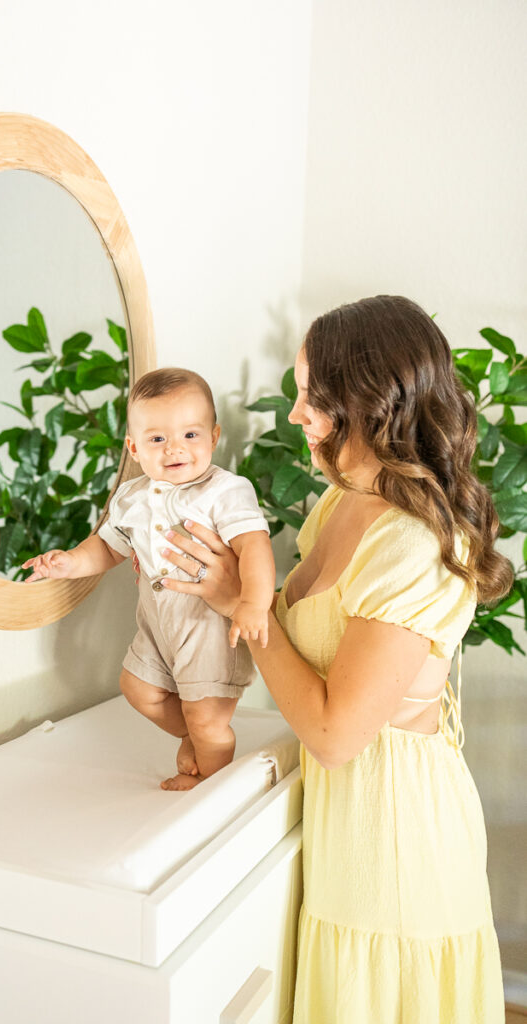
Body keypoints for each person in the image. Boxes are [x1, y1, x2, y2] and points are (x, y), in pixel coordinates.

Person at [152, 297, 511, 1023]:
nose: (294, 415)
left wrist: (239, 609)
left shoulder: (409, 541)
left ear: (364, 401)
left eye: (310, 396)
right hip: (348, 828)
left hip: (398, 838)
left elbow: (334, 734)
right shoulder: (341, 502)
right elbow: (290, 632)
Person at [23, 367, 276, 790]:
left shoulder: (225, 491)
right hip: (156, 627)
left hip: (208, 629)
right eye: (157, 439)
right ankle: (190, 736)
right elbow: (107, 547)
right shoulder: (131, 497)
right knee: (137, 688)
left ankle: (212, 786)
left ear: (214, 437)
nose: (175, 448)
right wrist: (68, 562)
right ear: (134, 447)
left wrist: (254, 603)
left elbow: (254, 546)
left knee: (207, 718)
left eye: (190, 435)